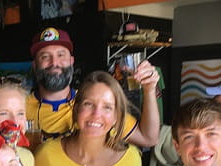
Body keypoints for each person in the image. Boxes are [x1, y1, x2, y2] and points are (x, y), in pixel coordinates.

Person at [26, 27, 160, 151]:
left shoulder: (94, 104)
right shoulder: (19, 108)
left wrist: (149, 90)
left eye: (61, 55)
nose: (54, 63)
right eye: (45, 56)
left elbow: (149, 138)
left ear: (72, 61)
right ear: (35, 64)